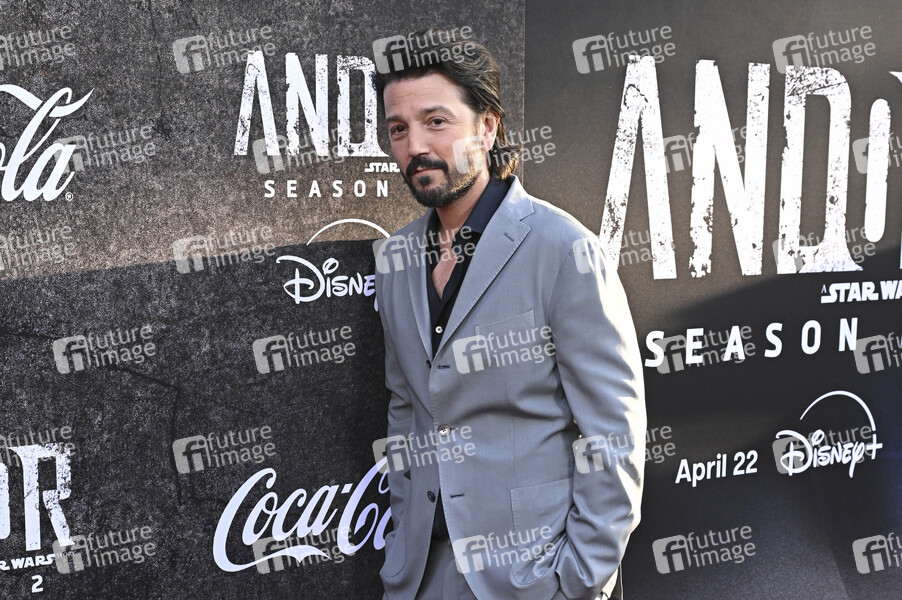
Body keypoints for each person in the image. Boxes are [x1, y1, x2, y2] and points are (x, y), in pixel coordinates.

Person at [371, 29, 645, 600]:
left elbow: (613, 436)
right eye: (398, 129)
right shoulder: (395, 258)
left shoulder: (564, 250)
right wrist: (402, 548)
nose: (415, 145)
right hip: (421, 575)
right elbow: (406, 410)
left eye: (436, 121)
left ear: (487, 127)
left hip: (531, 578)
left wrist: (576, 583)